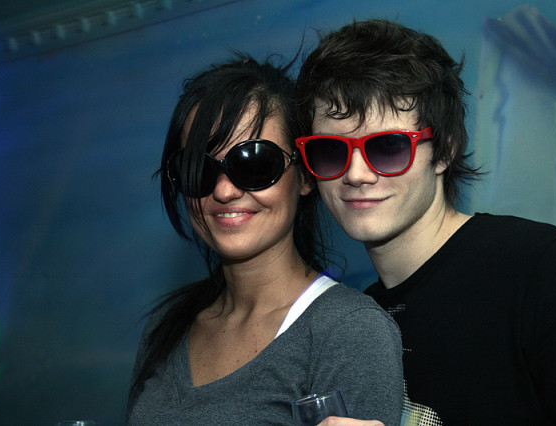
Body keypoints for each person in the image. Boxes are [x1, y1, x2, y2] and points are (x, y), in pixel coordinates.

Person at [296, 19, 556, 425]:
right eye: (330, 150)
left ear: (445, 151)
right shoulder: (360, 319)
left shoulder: (541, 269)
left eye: (388, 147)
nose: (357, 174)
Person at [126, 55, 403, 425]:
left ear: (305, 176)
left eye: (254, 164)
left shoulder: (349, 331)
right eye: (198, 170)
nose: (224, 191)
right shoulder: (166, 327)